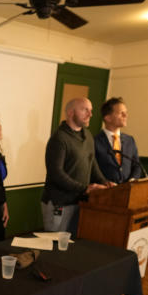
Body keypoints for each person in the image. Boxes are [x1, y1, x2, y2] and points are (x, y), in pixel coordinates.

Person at [41, 97, 111, 234]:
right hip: (60, 203)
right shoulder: (59, 138)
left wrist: (105, 184)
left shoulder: (88, 135)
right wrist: (85, 188)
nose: (90, 114)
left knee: (72, 248)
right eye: (85, 110)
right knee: (55, 246)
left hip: (80, 201)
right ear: (71, 113)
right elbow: (56, 173)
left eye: (90, 110)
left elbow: (92, 163)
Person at [94, 97, 143, 183]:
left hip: (128, 190)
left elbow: (137, 165)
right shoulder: (95, 141)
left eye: (126, 112)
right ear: (108, 118)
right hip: (105, 191)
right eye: (121, 113)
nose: (126, 116)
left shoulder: (130, 140)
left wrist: (132, 180)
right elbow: (93, 169)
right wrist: (104, 182)